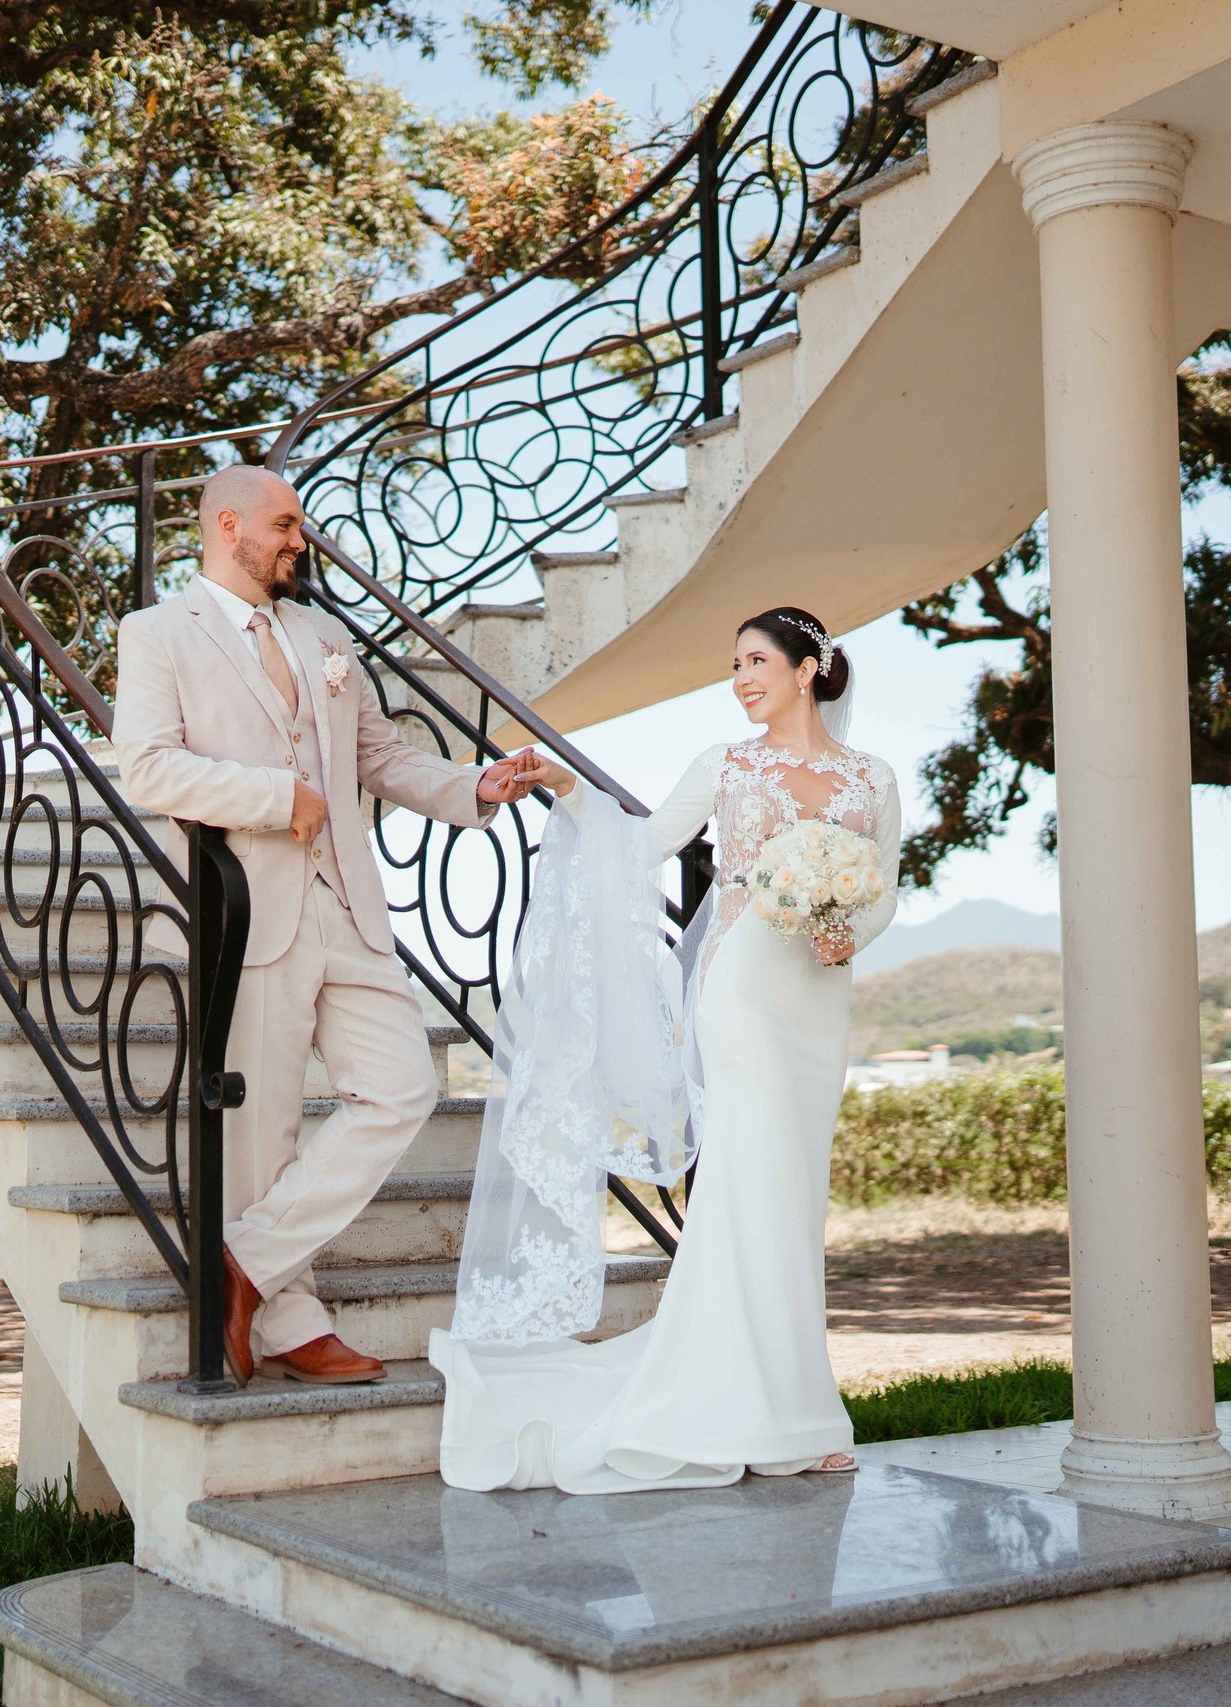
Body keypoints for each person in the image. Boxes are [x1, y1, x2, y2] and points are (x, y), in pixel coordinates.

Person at [431, 606, 900, 1491]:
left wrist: (850, 934)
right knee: (748, 1185)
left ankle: (796, 1404)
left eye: (757, 660)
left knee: (797, 1195)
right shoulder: (723, 766)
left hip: (818, 1001)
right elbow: (637, 845)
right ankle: (756, 1412)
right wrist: (570, 789)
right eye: (734, 664)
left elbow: (884, 886)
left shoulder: (872, 777)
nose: (741, 678)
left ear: (810, 669)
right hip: (743, 994)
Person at [114, 465, 557, 1384]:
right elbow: (149, 768)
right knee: (262, 1126)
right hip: (246, 907)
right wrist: (278, 798)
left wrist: (474, 785)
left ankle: (244, 1265)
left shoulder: (322, 634)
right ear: (226, 526)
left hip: (348, 905)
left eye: (299, 526)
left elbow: (381, 757)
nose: (297, 541)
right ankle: (291, 1318)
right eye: (283, 525)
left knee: (400, 1087)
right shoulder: (157, 634)